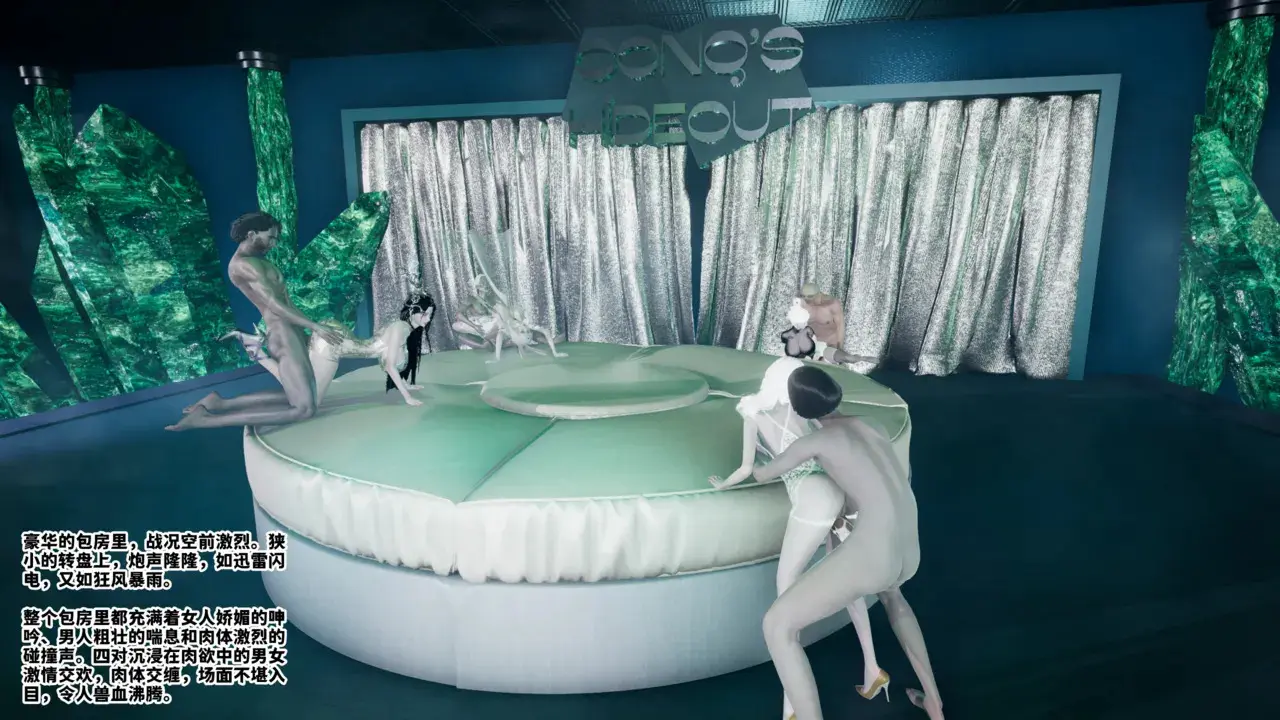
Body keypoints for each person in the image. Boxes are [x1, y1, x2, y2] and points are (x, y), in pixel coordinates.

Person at [756, 365, 944, 720]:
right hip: (909, 547)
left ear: (797, 408)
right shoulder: (873, 425)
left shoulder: (815, 441)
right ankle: (934, 704)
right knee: (894, 596)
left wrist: (757, 456)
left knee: (777, 626)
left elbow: (764, 473)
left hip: (875, 553)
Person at [708, 357, 880, 720]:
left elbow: (747, 469)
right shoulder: (803, 412)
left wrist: (723, 484)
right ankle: (872, 667)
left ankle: (793, 704)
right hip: (835, 490)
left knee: (786, 592)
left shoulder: (753, 414)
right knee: (846, 582)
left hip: (812, 499)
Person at [165, 211, 344, 431]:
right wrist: (314, 326)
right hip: (283, 335)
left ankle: (219, 403)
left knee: (302, 396)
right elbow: (274, 305)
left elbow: (286, 302)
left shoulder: (258, 262)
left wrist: (307, 329)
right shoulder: (243, 265)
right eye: (271, 237)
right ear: (251, 234)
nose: (274, 243)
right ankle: (204, 420)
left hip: (291, 331)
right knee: (305, 409)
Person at [214, 292, 435, 409]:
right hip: (333, 345)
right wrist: (407, 396)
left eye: (430, 315)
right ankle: (257, 351)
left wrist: (407, 385)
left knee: (300, 388)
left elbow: (389, 359)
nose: (427, 319)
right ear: (413, 311)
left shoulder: (401, 326)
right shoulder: (401, 329)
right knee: (308, 401)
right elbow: (390, 366)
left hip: (336, 337)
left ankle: (257, 348)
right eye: (425, 314)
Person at [781, 299, 857, 366]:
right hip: (797, 361)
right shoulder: (786, 335)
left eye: (803, 322)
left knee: (827, 353)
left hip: (816, 355)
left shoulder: (808, 331)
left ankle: (847, 358)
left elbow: (816, 344)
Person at [800, 283, 844, 349]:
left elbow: (840, 327)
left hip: (829, 344)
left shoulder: (832, 304)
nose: (806, 299)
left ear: (819, 294)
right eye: (803, 296)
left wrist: (840, 347)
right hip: (810, 344)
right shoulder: (802, 304)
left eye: (810, 296)